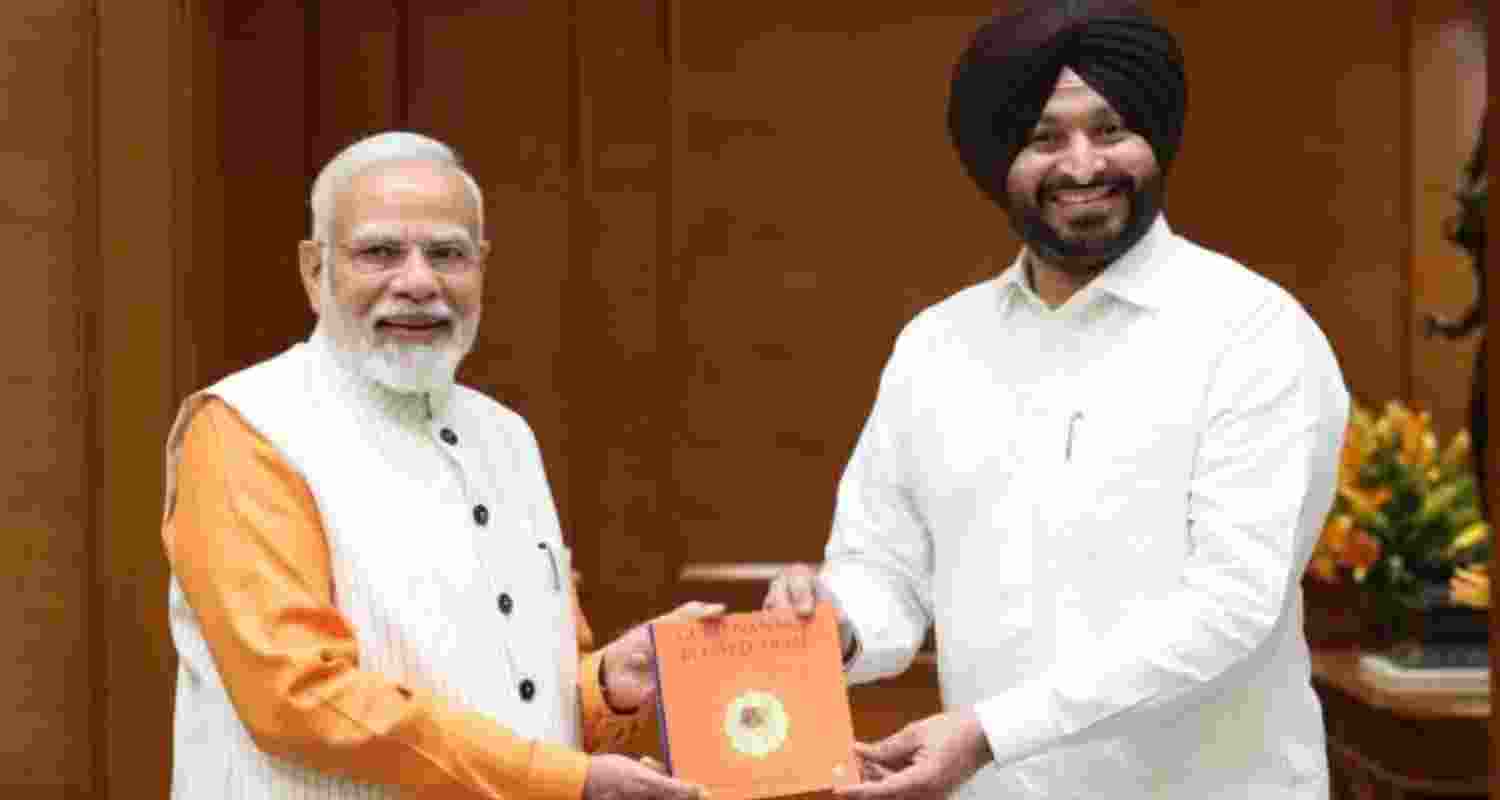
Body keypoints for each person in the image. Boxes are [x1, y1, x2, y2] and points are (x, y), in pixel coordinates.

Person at [764, 2, 1350, 798]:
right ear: (999, 158)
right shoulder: (937, 346)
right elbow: (886, 570)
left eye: (1111, 131)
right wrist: (836, 624)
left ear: (1157, 140)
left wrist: (990, 732)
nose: (1082, 165)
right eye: (1045, 138)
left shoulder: (1251, 333)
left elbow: (1230, 609)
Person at [160, 131, 720, 799]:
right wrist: (563, 781)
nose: (419, 282)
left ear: (481, 266)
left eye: (448, 254)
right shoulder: (246, 430)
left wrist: (602, 690)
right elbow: (300, 697)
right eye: (379, 253)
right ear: (316, 271)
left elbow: (520, 695)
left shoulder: (507, 436)